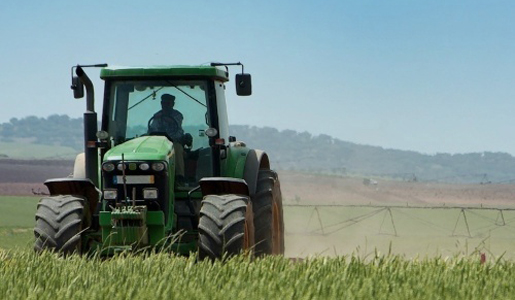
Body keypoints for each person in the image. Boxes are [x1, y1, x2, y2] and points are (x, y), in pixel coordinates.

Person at [148, 94, 191, 183]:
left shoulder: (177, 115)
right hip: (158, 143)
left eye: (168, 103)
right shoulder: (156, 115)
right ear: (161, 103)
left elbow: (175, 123)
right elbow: (153, 128)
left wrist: (163, 117)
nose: (166, 105)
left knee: (177, 149)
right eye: (164, 103)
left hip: (173, 141)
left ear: (172, 104)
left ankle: (180, 177)